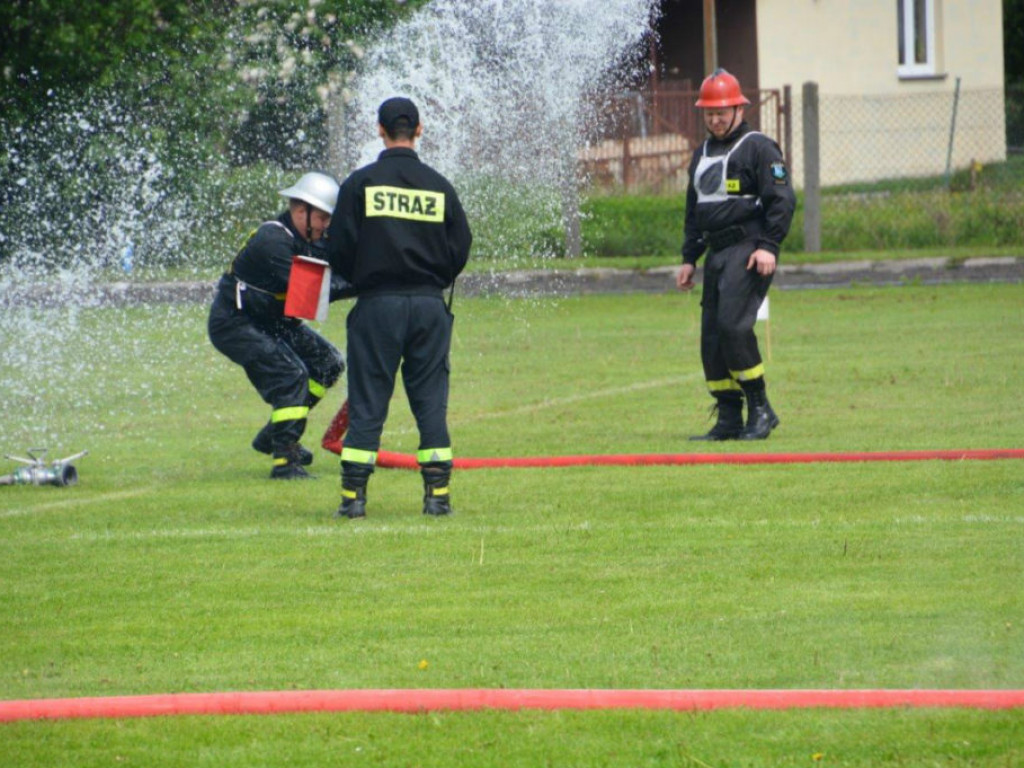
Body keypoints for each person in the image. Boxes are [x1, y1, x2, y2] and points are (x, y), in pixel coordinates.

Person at [325, 96, 472, 519]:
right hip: (428, 306)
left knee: (369, 397)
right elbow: (460, 246)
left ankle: (354, 501)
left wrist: (367, 275)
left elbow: (339, 248)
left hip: (377, 305)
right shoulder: (439, 186)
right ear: (419, 129)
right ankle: (437, 497)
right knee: (430, 399)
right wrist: (433, 278)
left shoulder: (360, 183)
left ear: (379, 129)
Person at [208, 171, 354, 479]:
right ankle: (285, 460)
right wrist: (366, 283)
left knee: (327, 364)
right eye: (324, 218)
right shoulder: (273, 240)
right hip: (235, 322)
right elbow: (314, 294)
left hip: (269, 319)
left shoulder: (306, 236)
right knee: (291, 376)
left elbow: (338, 264)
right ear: (301, 211)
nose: (327, 226)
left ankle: (276, 434)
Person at [675, 69, 796, 441]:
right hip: (716, 252)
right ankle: (729, 417)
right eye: (709, 113)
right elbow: (694, 210)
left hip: (749, 248)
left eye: (722, 111)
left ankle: (760, 409)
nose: (715, 119)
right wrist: (688, 257)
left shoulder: (759, 147)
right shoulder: (702, 153)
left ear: (739, 108)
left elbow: (782, 199)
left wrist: (768, 246)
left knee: (733, 326)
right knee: (712, 338)